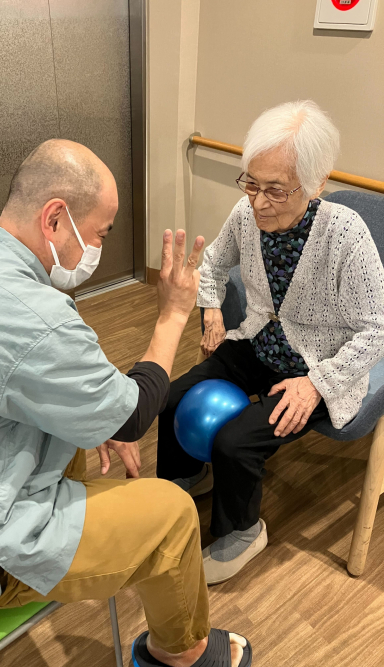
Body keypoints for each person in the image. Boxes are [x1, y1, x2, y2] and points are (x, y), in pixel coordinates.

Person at [0, 140, 252, 667]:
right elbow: (134, 415)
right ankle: (182, 655)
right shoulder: (34, 316)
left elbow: (14, 379)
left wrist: (93, 416)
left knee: (81, 435)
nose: (99, 248)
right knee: (172, 515)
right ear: (55, 218)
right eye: (101, 234)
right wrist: (174, 314)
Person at [157, 100, 384, 585]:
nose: (259, 202)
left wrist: (317, 384)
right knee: (172, 397)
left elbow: (377, 331)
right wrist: (211, 308)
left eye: (276, 190)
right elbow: (214, 263)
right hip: (260, 342)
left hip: (318, 368)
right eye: (252, 183)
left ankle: (242, 532)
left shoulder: (346, 235)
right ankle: (185, 478)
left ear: (316, 184)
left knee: (236, 441)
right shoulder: (246, 214)